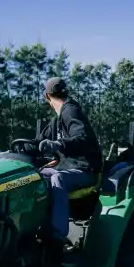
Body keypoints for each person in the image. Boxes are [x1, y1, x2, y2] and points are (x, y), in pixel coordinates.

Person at [33, 77, 103, 252]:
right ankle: (35, 228)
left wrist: (59, 144)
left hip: (84, 169)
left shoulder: (70, 111)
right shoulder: (56, 120)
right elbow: (37, 142)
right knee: (34, 176)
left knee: (57, 178)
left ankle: (57, 236)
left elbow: (82, 138)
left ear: (46, 96)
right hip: (68, 168)